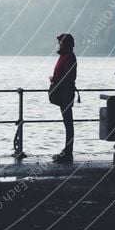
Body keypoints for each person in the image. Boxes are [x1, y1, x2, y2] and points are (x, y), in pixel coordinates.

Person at [49, 33, 77, 163]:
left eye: (60, 42)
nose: (59, 44)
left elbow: (67, 77)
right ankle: (67, 150)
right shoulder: (66, 56)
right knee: (68, 123)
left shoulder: (68, 57)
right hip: (64, 93)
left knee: (68, 123)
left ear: (65, 44)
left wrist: (53, 79)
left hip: (65, 94)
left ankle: (68, 152)